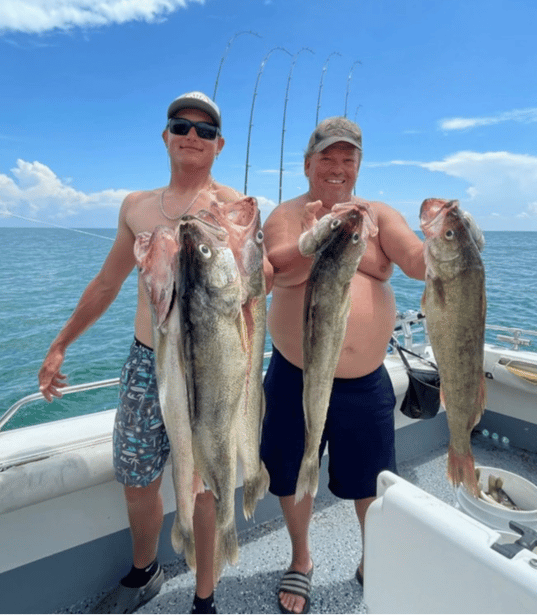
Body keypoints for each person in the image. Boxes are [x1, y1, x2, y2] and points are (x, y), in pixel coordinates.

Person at [38, 91, 240, 615]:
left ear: (219, 144)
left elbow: (255, 287)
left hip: (207, 366)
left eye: (204, 130)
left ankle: (204, 594)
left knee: (202, 484)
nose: (191, 136)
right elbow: (107, 283)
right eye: (181, 126)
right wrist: (60, 344)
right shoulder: (137, 206)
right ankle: (145, 569)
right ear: (166, 135)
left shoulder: (235, 208)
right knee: (136, 475)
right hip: (146, 362)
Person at [259, 116, 427, 615]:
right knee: (289, 473)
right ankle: (302, 557)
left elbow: (416, 260)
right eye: (326, 158)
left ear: (358, 166)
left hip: (362, 382)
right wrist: (320, 239)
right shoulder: (288, 215)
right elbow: (273, 268)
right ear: (308, 164)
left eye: (347, 158)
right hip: (295, 374)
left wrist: (443, 243)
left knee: (371, 482)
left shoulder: (380, 214)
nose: (336, 167)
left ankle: (371, 555)